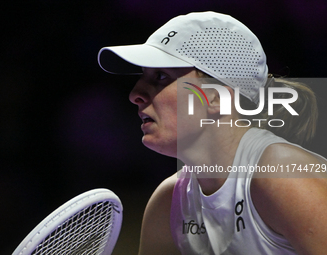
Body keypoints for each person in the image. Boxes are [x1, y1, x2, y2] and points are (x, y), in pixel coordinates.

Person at [98, 12, 327, 255]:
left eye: (161, 77)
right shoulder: (168, 203)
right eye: (143, 76)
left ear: (216, 98)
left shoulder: (283, 175)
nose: (135, 94)